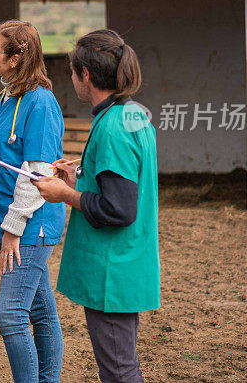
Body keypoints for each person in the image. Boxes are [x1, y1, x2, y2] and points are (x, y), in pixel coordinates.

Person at [33, 29, 159, 383]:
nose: (72, 80)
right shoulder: (130, 114)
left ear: (85, 74)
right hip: (127, 262)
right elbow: (120, 186)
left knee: (119, 371)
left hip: (112, 273)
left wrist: (65, 195)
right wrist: (79, 182)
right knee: (119, 366)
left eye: (73, 73)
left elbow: (119, 209)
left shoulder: (113, 128)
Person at [0, 20, 65, 383]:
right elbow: (7, 150)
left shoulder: (40, 101)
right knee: (41, 313)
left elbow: (38, 171)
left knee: (9, 313)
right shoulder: (6, 95)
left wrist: (12, 229)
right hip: (13, 223)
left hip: (31, 225)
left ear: (15, 58)